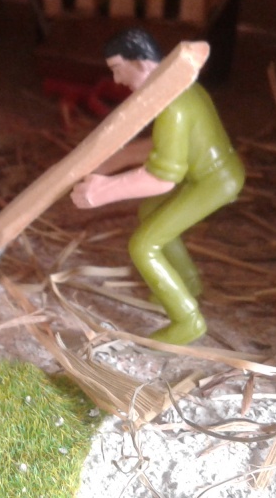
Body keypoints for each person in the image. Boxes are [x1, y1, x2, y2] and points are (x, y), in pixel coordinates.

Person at [70, 28, 245, 345]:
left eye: (117, 69)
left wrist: (103, 191)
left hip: (213, 183)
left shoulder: (172, 106)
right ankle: (188, 281)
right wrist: (116, 160)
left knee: (143, 245)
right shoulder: (181, 88)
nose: (117, 80)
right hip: (209, 174)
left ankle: (187, 321)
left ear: (139, 63)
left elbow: (162, 179)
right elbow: (164, 146)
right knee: (151, 212)